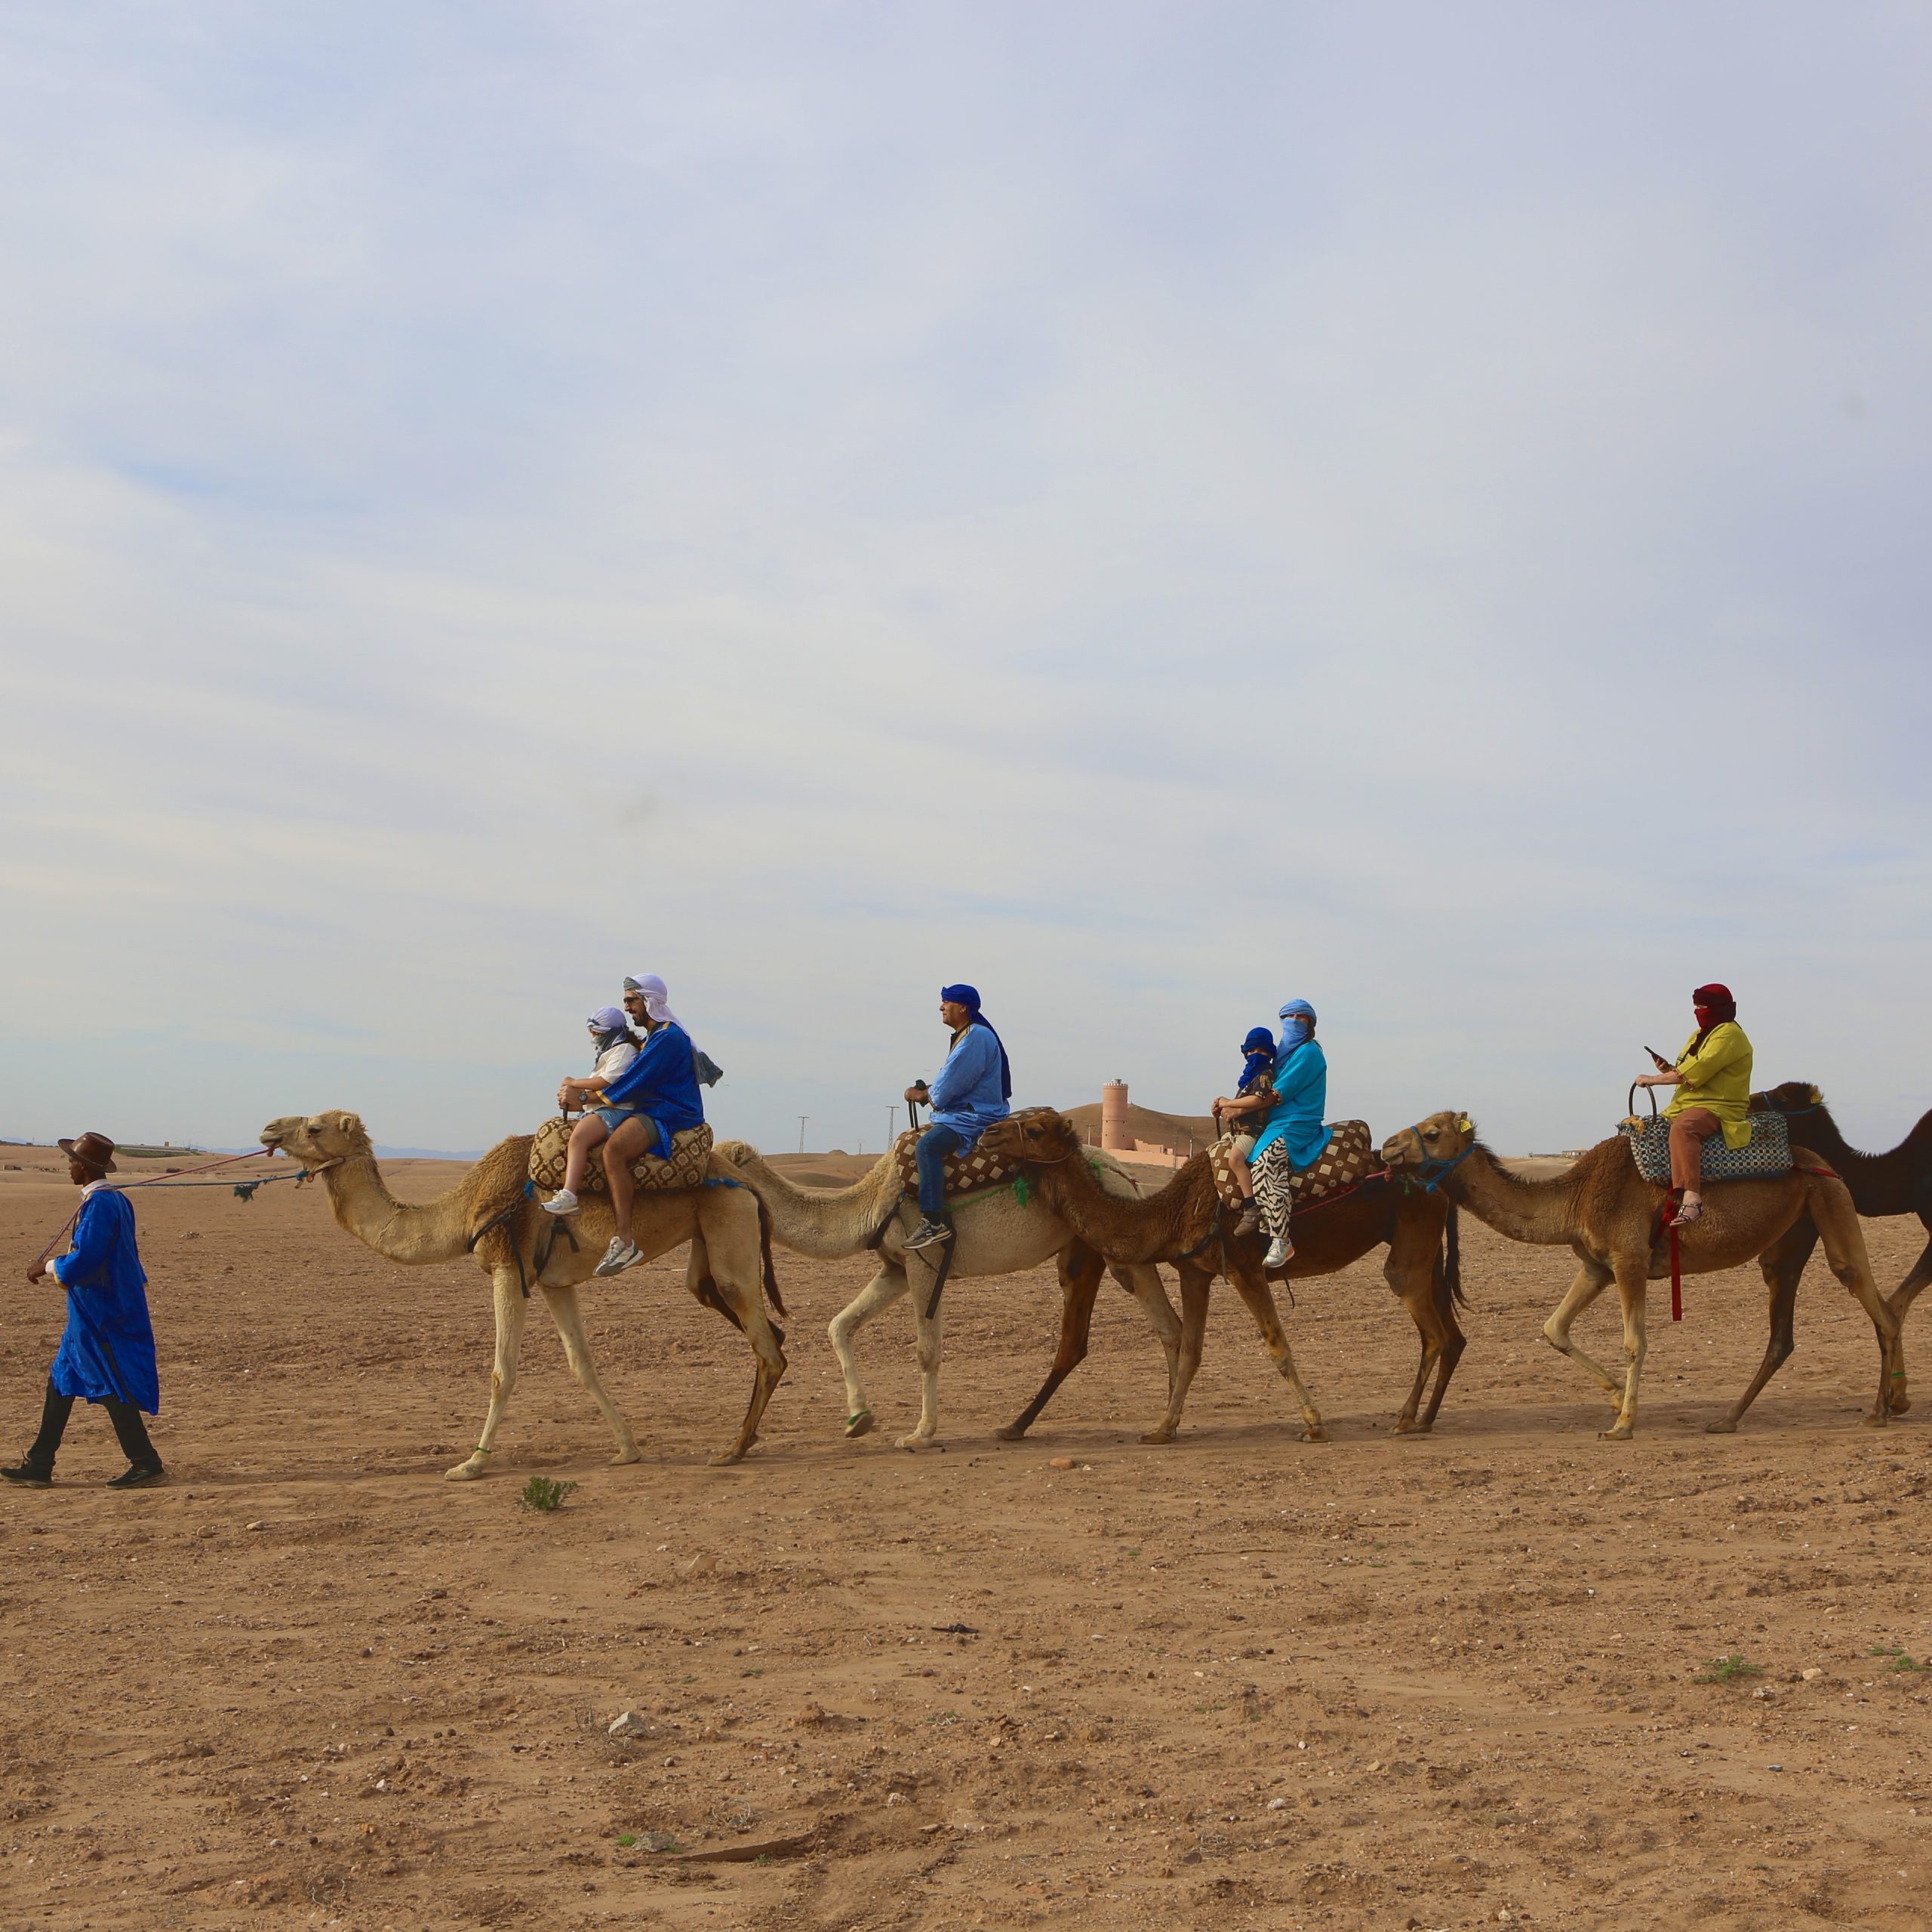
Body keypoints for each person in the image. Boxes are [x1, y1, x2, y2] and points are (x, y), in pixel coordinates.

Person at [4, 1132, 165, 1489]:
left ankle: (146, 1462)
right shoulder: (112, 1201)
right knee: (61, 1381)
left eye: (72, 1162)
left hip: (102, 1313)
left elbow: (88, 1259)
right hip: (90, 1312)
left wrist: (46, 1267)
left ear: (84, 1167)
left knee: (110, 1382)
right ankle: (40, 1462)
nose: (69, 1168)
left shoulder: (102, 1205)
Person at [591, 974, 705, 1276]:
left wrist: (588, 1098)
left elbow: (637, 1082)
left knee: (613, 1151)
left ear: (648, 1000)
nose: (627, 1008)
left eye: (631, 1001)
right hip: (653, 1107)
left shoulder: (668, 1038)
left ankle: (625, 1240)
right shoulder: (655, 1036)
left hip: (668, 1112)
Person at [903, 984, 1013, 1251]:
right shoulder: (969, 1035)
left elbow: (945, 1090)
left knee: (927, 1147)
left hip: (974, 1117)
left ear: (962, 1007)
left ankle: (933, 1221)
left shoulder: (976, 1038)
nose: (941, 1007)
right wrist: (929, 1091)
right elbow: (949, 1082)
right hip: (964, 1112)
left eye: (946, 1002)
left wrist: (920, 1095)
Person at [1634, 983, 1752, 1224]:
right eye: (1696, 1006)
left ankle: (1692, 1198)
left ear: (1717, 1008)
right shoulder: (1701, 1034)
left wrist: (1653, 1079)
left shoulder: (1729, 1035)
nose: (1697, 1011)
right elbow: (1685, 1071)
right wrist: (1667, 1069)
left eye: (1702, 1006)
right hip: (1688, 1102)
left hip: (1719, 1106)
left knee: (1685, 1128)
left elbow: (1694, 1072)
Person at [1248, 998, 1332, 1269]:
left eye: (1301, 1017)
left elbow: (1273, 1096)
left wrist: (1232, 1106)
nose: (1294, 1021)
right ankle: (1264, 1220)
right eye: (1289, 1016)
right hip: (1276, 1123)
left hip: (1298, 1122)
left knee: (1266, 1164)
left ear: (1310, 1024)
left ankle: (1281, 1240)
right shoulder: (1283, 1055)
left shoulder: (1308, 1053)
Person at [541, 1005, 643, 1218]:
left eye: (598, 1034)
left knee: (578, 1139)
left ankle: (569, 1196)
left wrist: (574, 1083)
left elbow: (608, 1081)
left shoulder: (624, 1050)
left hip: (615, 1111)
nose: (595, 1038)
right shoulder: (610, 1052)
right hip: (602, 1108)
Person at [1211, 1026, 1279, 1238]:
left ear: (1269, 1053)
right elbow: (1243, 1106)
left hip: (1252, 1133)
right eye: (1252, 1050)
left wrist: (1228, 1102)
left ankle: (1251, 1206)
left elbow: (1257, 1100)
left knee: (1235, 1160)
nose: (1256, 1054)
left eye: (1262, 1050)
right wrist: (1223, 1110)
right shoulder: (1248, 1079)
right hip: (1237, 1132)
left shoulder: (1265, 1076)